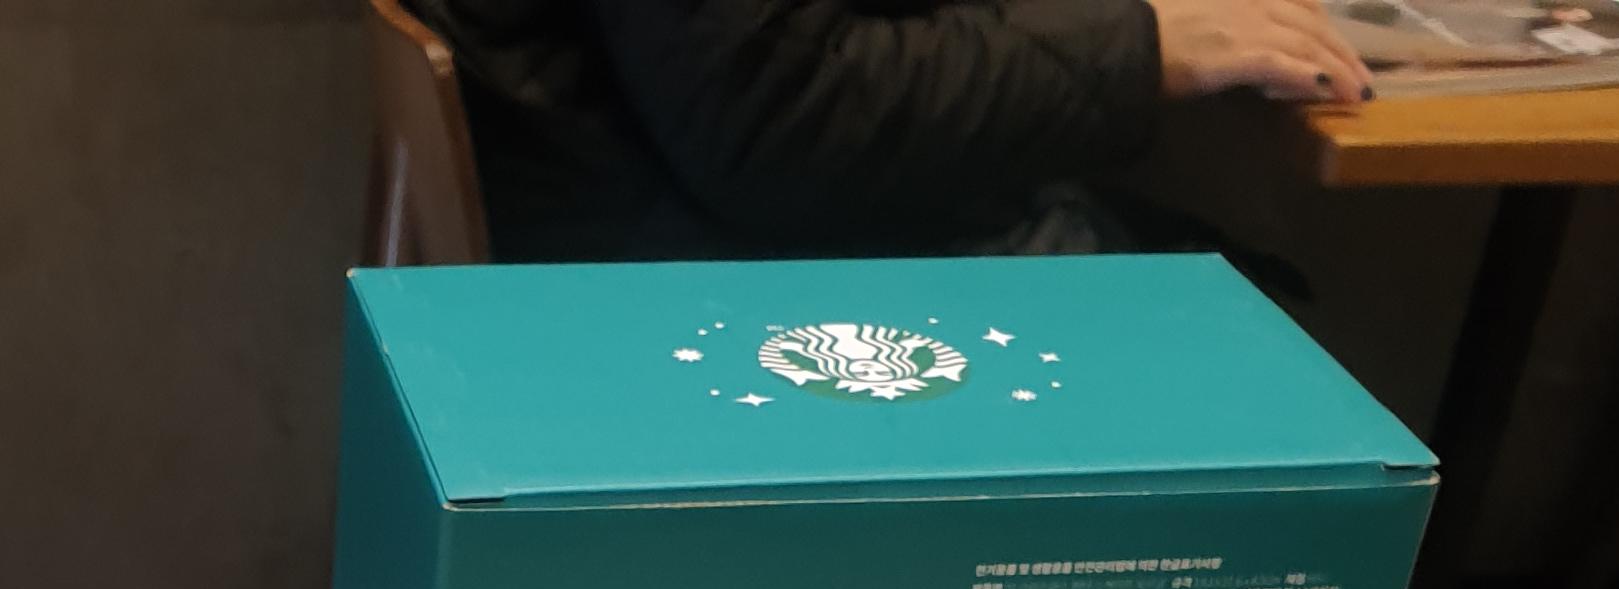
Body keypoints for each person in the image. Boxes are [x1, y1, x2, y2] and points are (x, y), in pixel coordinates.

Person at [419, 0, 1371, 261]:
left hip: (665, 211)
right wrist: (1139, 46)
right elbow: (779, 118)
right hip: (692, 281)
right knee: (1275, 379)